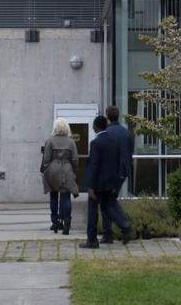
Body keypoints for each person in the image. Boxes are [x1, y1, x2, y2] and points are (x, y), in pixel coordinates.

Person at [80, 115, 132, 249]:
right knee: (108, 206)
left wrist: (90, 186)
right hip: (111, 181)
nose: (92, 128)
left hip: (97, 183)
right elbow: (117, 160)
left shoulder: (96, 143)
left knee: (93, 210)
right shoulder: (114, 140)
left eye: (93, 126)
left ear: (96, 127)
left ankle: (92, 240)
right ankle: (124, 224)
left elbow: (94, 165)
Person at [99, 105, 134, 243]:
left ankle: (122, 227)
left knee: (106, 202)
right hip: (123, 172)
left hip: (109, 173)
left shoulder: (107, 133)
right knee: (110, 200)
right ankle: (110, 233)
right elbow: (129, 153)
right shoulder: (127, 133)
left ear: (107, 116)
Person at [42, 117, 79, 235]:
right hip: (67, 169)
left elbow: (46, 159)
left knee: (53, 196)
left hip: (52, 169)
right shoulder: (71, 141)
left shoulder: (50, 140)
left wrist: (48, 169)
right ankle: (67, 222)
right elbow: (75, 159)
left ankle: (55, 222)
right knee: (66, 196)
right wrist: (74, 169)